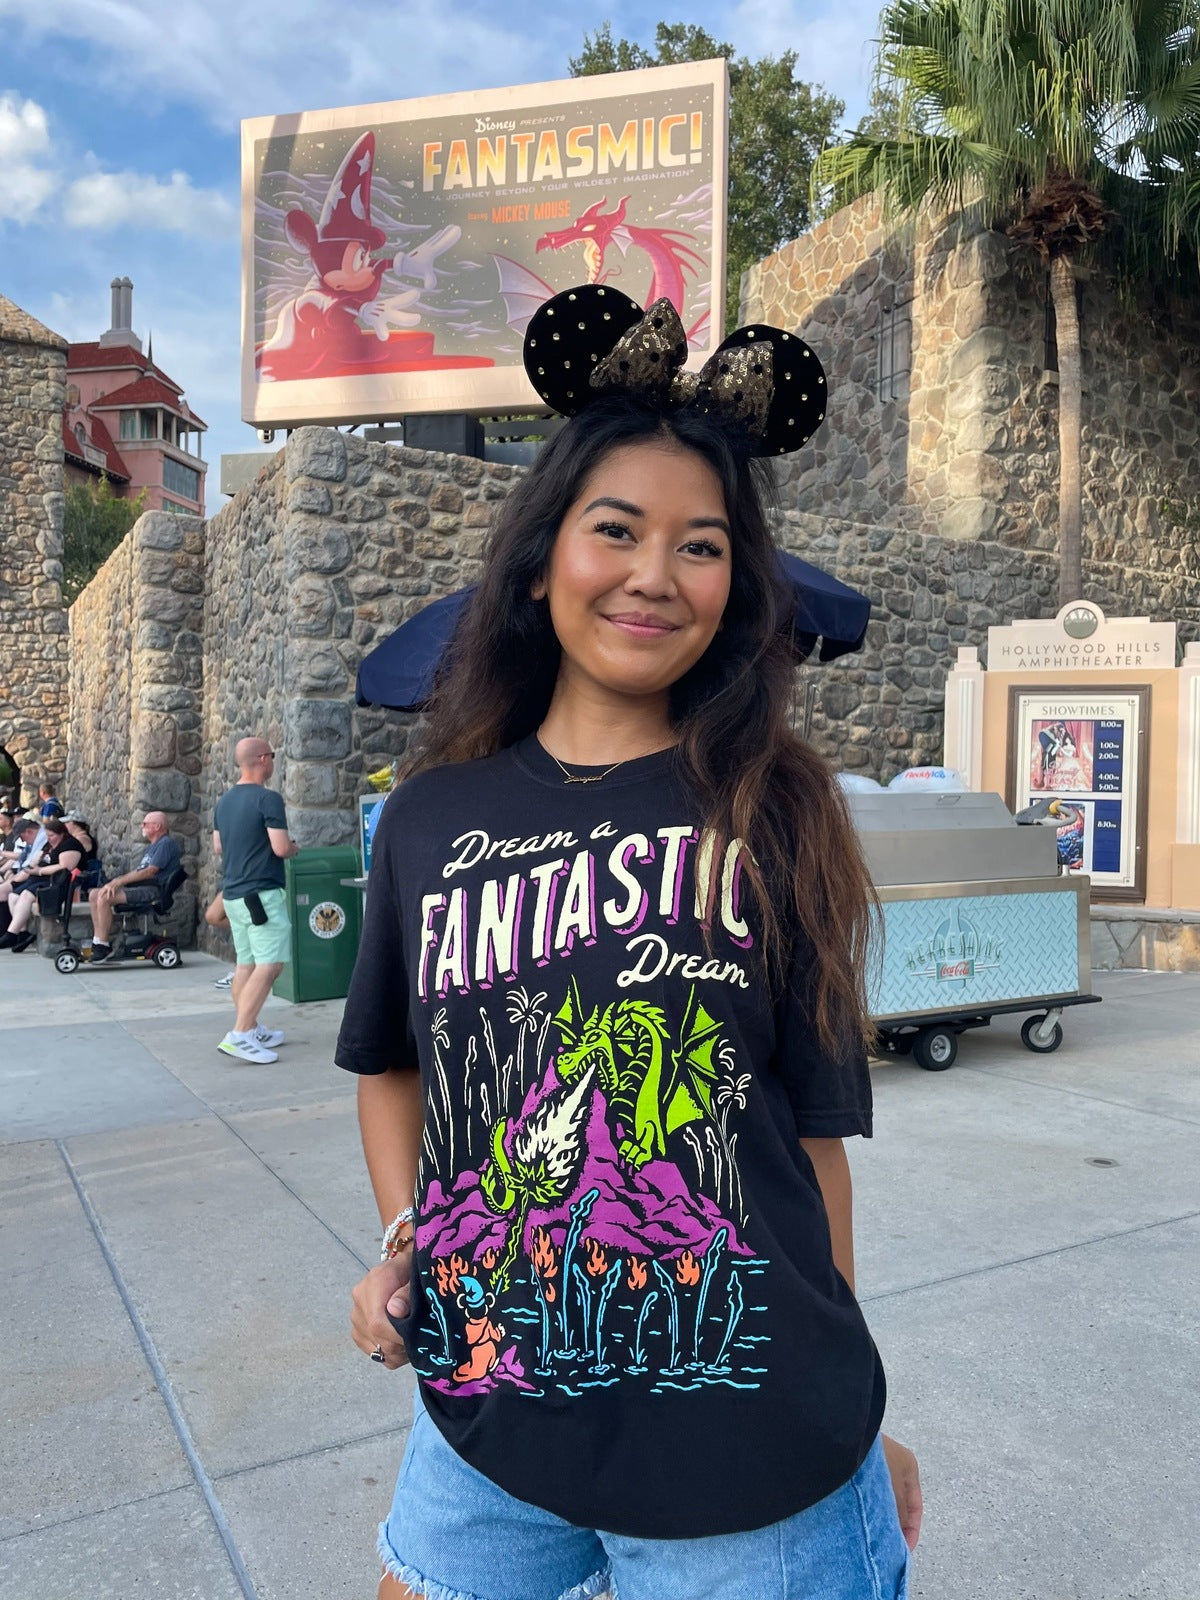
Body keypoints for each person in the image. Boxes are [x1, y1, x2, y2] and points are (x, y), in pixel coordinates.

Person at [335, 285, 922, 1600]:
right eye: (618, 530)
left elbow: (809, 1146)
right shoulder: (432, 821)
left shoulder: (780, 809)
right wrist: (402, 1240)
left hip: (752, 1457)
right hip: (485, 1412)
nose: (657, 573)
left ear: (738, 584)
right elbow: (387, 1065)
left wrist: (847, 1421)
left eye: (702, 545)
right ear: (543, 562)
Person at [212, 737, 299, 1064]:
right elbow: (279, 848)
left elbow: (219, 846)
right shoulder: (268, 799)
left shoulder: (223, 803)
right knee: (270, 964)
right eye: (273, 756)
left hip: (233, 895)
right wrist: (293, 847)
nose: (273, 762)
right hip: (261, 894)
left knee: (245, 965)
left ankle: (251, 1026)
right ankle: (241, 1033)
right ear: (263, 759)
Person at [89, 812, 181, 963]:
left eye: (145, 824)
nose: (141, 826)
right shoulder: (151, 847)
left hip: (153, 890)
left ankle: (104, 946)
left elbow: (150, 871)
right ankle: (98, 942)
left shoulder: (165, 844)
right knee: (94, 894)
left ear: (157, 826)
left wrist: (119, 881)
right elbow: (139, 872)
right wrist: (115, 882)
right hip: (142, 887)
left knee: (104, 897)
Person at [0, 816, 83, 951]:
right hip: (41, 877)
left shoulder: (69, 845)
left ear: (61, 833)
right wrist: (30, 870)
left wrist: (39, 870)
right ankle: (22, 933)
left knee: (26, 895)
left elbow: (64, 867)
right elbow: (35, 861)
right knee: (13, 896)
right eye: (47, 835)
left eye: (51, 835)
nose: (49, 838)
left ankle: (11, 934)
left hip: (60, 882)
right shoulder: (49, 846)